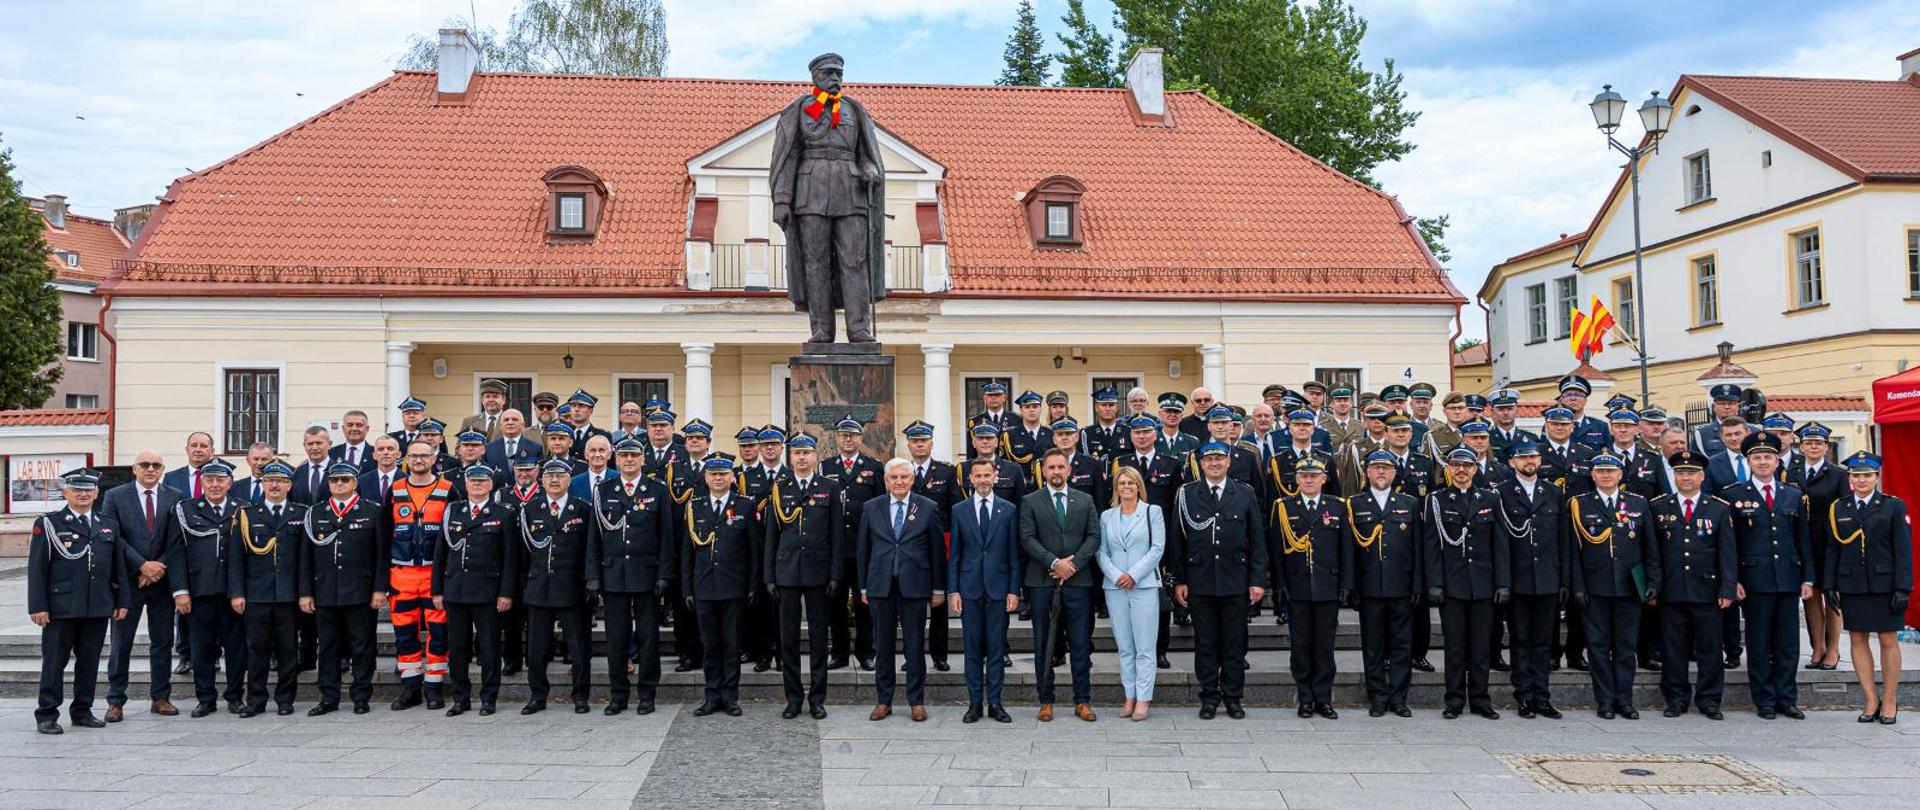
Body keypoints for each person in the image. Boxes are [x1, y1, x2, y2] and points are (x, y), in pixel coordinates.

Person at [29, 469, 130, 734]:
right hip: (61, 607)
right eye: (77, 490)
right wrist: (38, 605)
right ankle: (47, 713)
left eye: (88, 490)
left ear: (97, 493)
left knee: (89, 661)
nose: (83, 494)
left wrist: (122, 600)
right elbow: (37, 568)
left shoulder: (106, 523)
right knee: (54, 662)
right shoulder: (49, 523)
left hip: (97, 605)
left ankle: (82, 710)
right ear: (65, 493)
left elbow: (117, 566)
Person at [1171, 442, 1267, 720]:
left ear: (1229, 462)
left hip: (1235, 581)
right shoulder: (1187, 494)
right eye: (1209, 459)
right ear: (1201, 463)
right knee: (1206, 643)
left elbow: (1258, 541)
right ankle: (1209, 697)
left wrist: (1257, 580)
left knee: (1235, 644)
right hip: (1199, 581)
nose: (1214, 463)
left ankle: (1234, 697)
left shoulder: (1245, 493)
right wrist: (1179, 580)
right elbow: (1177, 541)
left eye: (1219, 458)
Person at [1721, 432, 1813, 719]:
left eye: (1768, 457)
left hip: (1787, 577)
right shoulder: (1733, 495)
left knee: (1788, 643)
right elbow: (1729, 544)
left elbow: (1804, 540)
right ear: (1748, 461)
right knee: (1759, 643)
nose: (1763, 462)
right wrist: (1732, 579)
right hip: (1754, 580)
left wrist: (1808, 578)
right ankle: (1763, 699)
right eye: (1757, 457)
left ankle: (1787, 698)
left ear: (1777, 461)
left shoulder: (1793, 494)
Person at [1648, 450, 1736, 720]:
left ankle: (1709, 700)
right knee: (1673, 649)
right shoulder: (1659, 506)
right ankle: (1675, 698)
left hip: (1707, 591)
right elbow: (1653, 552)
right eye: (1680, 473)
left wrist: (1727, 588)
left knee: (1710, 649)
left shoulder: (1718, 508)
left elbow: (1727, 552)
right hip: (1672, 591)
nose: (1685, 477)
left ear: (1702, 476)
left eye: (1691, 473)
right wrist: (1654, 586)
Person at [588, 439, 674, 716]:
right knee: (616, 637)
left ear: (642, 459)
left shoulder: (657, 491)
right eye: (623, 455)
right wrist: (593, 576)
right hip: (613, 575)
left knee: (649, 637)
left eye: (633, 455)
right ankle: (618, 694)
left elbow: (666, 538)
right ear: (616, 459)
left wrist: (664, 574)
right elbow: (594, 538)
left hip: (646, 574)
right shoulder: (603, 491)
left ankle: (647, 694)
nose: (628, 460)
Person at [762, 434, 844, 720]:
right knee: (788, 640)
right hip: (786, 572)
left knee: (820, 639)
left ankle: (817, 698)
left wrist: (836, 574)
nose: (800, 457)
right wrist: (769, 576)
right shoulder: (779, 489)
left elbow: (837, 535)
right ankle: (793, 698)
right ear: (790, 457)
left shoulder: (830, 488)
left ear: (815, 456)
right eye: (796, 453)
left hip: (818, 572)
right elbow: (771, 537)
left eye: (806, 452)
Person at [1826, 452, 1911, 724]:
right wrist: (1829, 584)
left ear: (1876, 477)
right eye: (1856, 475)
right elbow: (1833, 549)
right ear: (1849, 478)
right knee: (1857, 638)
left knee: (1888, 640)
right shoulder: (1839, 507)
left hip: (1885, 583)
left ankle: (1889, 699)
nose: (1861, 480)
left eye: (1867, 475)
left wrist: (1903, 587)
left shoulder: (1892, 506)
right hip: (1852, 582)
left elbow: (1903, 550)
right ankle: (1870, 699)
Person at [859, 459, 945, 722]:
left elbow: (937, 552)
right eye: (894, 477)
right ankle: (884, 700)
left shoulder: (928, 507)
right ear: (886, 481)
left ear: (912, 480)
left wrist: (938, 588)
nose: (899, 482)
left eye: (904, 477)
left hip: (915, 586)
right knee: (882, 646)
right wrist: (863, 586)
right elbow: (864, 549)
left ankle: (916, 701)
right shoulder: (871, 508)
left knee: (914, 646)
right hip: (880, 586)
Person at [98, 449, 182, 721]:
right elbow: (112, 536)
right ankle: (115, 700)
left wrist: (157, 567)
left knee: (162, 642)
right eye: (144, 464)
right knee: (121, 643)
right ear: (134, 468)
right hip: (127, 582)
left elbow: (177, 540)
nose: (150, 469)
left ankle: (160, 697)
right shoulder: (114, 496)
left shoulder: (174, 497)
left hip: (162, 581)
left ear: (162, 469)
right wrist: (141, 565)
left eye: (156, 465)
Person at [1569, 453, 1654, 719]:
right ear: (1592, 475)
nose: (1606, 475)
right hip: (1595, 587)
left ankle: (1624, 700)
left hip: (1629, 587)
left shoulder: (1638, 504)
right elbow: (1572, 552)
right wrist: (1577, 587)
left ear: (1621, 474)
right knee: (1598, 647)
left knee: (1626, 647)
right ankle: (1604, 700)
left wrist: (1652, 582)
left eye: (1611, 471)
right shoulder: (1578, 505)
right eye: (1601, 471)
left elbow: (1649, 548)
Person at [1426, 448, 1508, 720]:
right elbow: (1432, 546)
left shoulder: (1490, 498)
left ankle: (1481, 700)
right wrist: (1435, 583)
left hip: (1483, 586)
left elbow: (1500, 545)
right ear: (1448, 468)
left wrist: (1502, 583)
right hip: (1452, 586)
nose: (1461, 470)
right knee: (1455, 647)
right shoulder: (1437, 500)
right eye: (1456, 465)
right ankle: (1454, 700)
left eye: (1467, 465)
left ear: (1475, 469)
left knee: (1481, 647)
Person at [1019, 449, 1100, 722]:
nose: (1056, 472)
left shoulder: (1085, 500)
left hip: (1079, 582)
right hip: (1042, 582)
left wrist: (1073, 564)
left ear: (1069, 471)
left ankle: (1083, 700)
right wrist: (1054, 563)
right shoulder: (1030, 501)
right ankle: (1046, 700)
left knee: (1080, 642)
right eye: (1051, 467)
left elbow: (1094, 536)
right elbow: (1027, 538)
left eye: (1060, 467)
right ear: (1043, 471)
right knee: (1044, 643)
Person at [302, 462, 388, 715]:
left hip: (360, 591)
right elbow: (306, 558)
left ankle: (361, 696)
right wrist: (306, 592)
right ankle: (328, 697)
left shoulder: (373, 511)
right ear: (328, 484)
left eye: (345, 480)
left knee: (362, 646)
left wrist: (379, 589)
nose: (339, 484)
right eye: (335, 480)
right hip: (325, 591)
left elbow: (381, 555)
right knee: (328, 647)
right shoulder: (315, 513)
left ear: (355, 482)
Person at [434, 463, 518, 717]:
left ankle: (488, 697)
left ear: (491, 485)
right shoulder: (453, 511)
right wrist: (437, 590)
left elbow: (510, 557)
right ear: (466, 484)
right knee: (458, 647)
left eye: (483, 481)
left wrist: (506, 592)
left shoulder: (503, 513)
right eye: (473, 481)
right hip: (456, 589)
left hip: (487, 591)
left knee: (489, 647)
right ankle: (460, 698)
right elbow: (440, 554)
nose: (478, 485)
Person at [166, 458, 248, 716]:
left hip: (232, 594)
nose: (215, 484)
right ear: (202, 482)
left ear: (230, 483)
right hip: (199, 592)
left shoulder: (243, 509)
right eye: (210, 479)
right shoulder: (185, 510)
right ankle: (206, 698)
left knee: (236, 648)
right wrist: (180, 591)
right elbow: (176, 553)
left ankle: (234, 696)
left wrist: (242, 592)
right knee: (201, 648)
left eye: (220, 480)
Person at [1495, 442, 1568, 719]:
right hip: (1518, 579)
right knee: (1520, 640)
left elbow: (1563, 540)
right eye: (1523, 457)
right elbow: (1500, 544)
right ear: (1512, 462)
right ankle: (1523, 696)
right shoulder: (1502, 493)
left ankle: (1542, 696)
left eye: (1533, 456)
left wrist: (1564, 580)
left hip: (1548, 578)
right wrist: (1503, 582)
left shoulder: (1553, 492)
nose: (1529, 461)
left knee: (1543, 643)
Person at [226, 461, 305, 717]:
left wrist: (305, 593)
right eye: (269, 481)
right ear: (262, 484)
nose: (274, 485)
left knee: (288, 650)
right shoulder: (247, 514)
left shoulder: (300, 513)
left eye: (280, 481)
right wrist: (237, 593)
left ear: (289, 485)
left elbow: (305, 561)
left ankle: (285, 699)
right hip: (256, 595)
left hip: (288, 595)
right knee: (256, 649)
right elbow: (236, 558)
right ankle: (256, 700)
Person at [683, 458, 761, 717]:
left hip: (734, 587)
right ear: (706, 478)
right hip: (704, 587)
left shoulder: (745, 506)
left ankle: (730, 697)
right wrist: (687, 589)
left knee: (731, 644)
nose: (718, 478)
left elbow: (754, 551)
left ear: (732, 477)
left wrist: (753, 585)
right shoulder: (695, 507)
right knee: (710, 645)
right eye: (713, 474)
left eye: (723, 474)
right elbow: (687, 553)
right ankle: (711, 695)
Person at [1347, 451, 1422, 717]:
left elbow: (1418, 549)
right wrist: (1351, 586)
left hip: (1401, 586)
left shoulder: (1409, 503)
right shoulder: (1354, 504)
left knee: (1402, 645)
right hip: (1369, 587)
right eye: (1376, 467)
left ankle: (1399, 698)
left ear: (1394, 472)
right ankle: (1378, 697)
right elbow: (1350, 551)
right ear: (1367, 472)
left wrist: (1417, 585)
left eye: (1386, 468)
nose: (1381, 472)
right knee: (1373, 646)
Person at [517, 459, 593, 715]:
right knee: (536, 649)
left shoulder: (582, 509)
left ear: (570, 479)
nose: (554, 480)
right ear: (541, 480)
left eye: (560, 476)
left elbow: (589, 550)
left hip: (572, 587)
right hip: (539, 587)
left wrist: (589, 582)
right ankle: (538, 696)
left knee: (578, 647)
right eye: (549, 476)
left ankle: (580, 696)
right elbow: (523, 554)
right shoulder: (530, 509)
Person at [385, 440, 454, 710]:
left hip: (433, 575)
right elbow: (384, 532)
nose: (418, 460)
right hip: (401, 574)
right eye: (413, 455)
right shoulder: (395, 489)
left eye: (424, 455)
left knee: (438, 633)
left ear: (434, 458)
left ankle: (434, 687)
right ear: (406, 459)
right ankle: (410, 686)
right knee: (404, 634)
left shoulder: (449, 489)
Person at [950, 458, 1020, 724]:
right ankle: (975, 703)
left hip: (999, 590)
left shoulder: (1009, 509)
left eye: (986, 475)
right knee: (972, 650)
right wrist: (953, 590)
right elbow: (955, 554)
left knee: (996, 648)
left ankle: (996, 703)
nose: (982, 480)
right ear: (970, 479)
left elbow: (1014, 554)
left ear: (995, 476)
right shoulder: (959, 510)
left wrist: (1014, 590)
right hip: (969, 590)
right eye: (977, 476)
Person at [1273, 457, 1344, 719]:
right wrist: (1279, 584)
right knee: (1301, 645)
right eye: (1304, 476)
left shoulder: (1337, 506)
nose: (1309, 480)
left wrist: (1345, 584)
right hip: (1297, 586)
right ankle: (1304, 698)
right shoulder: (1283, 507)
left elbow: (1345, 548)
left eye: (1314, 475)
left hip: (1328, 586)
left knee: (1325, 646)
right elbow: (1276, 550)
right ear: (1297, 479)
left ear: (1324, 478)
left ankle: (1323, 698)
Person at [1096, 465, 1163, 721]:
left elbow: (1157, 548)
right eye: (1122, 483)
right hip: (1115, 586)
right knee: (1125, 646)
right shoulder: (1107, 516)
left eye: (1131, 483)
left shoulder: (1151, 512)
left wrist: (1133, 574)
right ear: (1116, 488)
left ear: (1138, 486)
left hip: (1143, 584)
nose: (1126, 487)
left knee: (1145, 646)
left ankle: (1144, 699)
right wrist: (1116, 575)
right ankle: (1130, 696)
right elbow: (1101, 551)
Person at [823, 418, 883, 671]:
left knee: (864, 603)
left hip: (863, 548)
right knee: (834, 603)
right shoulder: (826, 466)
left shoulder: (873, 467)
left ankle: (866, 651)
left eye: (853, 435)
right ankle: (838, 653)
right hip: (835, 548)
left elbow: (880, 507)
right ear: (837, 438)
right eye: (843, 435)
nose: (848, 439)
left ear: (861, 438)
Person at [1788, 422, 1847, 670]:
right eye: (1809, 442)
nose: (1814, 446)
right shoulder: (1790, 473)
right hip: (1802, 543)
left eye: (1819, 443)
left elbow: (1845, 510)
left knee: (1832, 598)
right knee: (1811, 597)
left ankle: (1833, 649)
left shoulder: (1838, 474)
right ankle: (1818, 647)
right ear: (1801, 446)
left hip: (1830, 544)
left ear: (1826, 447)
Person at [904, 421, 960, 673]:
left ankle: (939, 655)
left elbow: (956, 509)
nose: (919, 444)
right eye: (915, 440)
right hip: (909, 548)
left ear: (931, 443)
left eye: (923, 440)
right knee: (911, 607)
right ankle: (911, 655)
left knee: (938, 605)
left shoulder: (946, 473)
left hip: (938, 548)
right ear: (908, 445)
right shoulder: (901, 472)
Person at [1691, 384, 1744, 456]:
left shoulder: (1753, 430)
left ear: (1737, 406)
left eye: (1731, 403)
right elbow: (1696, 461)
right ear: (1714, 407)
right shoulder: (1702, 434)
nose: (1726, 407)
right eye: (1722, 404)